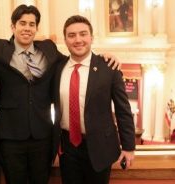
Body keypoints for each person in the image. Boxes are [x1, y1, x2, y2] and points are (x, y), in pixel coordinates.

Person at [0, 5, 120, 184]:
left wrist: (101, 57)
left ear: (36, 28)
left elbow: (73, 60)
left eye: (32, 24)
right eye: (22, 23)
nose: (27, 28)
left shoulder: (48, 48)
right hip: (10, 137)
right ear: (13, 26)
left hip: (42, 135)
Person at [53, 15, 136, 184]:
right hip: (67, 148)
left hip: (100, 147)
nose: (78, 40)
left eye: (83, 34)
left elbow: (123, 110)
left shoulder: (109, 67)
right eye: (72, 35)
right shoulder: (57, 67)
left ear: (92, 37)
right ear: (65, 40)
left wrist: (128, 147)